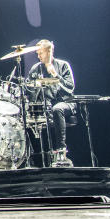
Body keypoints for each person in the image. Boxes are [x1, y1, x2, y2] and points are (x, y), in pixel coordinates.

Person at [27, 39, 75, 167]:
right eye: (37, 53)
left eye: (40, 53)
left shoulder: (63, 65)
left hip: (65, 102)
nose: (38, 56)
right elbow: (29, 90)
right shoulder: (35, 69)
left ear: (49, 51)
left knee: (57, 109)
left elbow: (70, 88)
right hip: (45, 105)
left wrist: (55, 74)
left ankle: (61, 152)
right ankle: (34, 156)